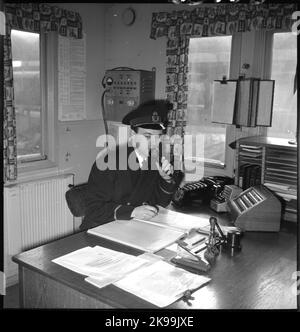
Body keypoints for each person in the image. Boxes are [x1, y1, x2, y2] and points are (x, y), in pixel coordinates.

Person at [80, 99, 183, 231]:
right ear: (133, 135)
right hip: (101, 229)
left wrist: (166, 179)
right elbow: (94, 209)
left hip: (132, 228)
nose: (153, 143)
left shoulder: (153, 160)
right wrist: (132, 212)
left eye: (158, 137)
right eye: (147, 136)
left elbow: (160, 202)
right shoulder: (108, 161)